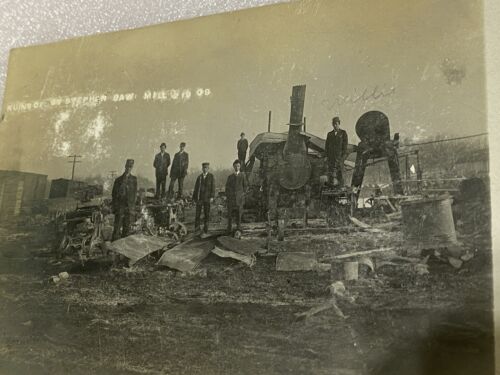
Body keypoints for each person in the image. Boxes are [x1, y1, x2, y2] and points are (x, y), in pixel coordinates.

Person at [111, 159, 138, 241]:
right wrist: (115, 206)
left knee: (126, 229)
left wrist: (132, 207)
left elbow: (134, 194)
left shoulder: (134, 179)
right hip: (120, 206)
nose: (129, 168)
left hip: (128, 207)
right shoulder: (118, 180)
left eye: (130, 167)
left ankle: (124, 249)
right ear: (125, 167)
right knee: (117, 228)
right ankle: (114, 248)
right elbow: (114, 194)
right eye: (127, 166)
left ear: (132, 168)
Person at [192, 162, 215, 234]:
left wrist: (212, 196)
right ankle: (197, 229)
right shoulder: (199, 177)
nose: (205, 169)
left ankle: (206, 229)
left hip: (207, 198)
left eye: (206, 168)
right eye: (204, 168)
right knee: (197, 214)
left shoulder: (211, 176)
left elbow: (213, 188)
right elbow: (196, 188)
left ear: (208, 168)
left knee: (206, 214)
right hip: (199, 198)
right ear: (202, 169)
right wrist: (194, 198)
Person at [325, 116, 348, 186]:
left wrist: (342, 158)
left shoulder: (343, 133)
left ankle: (341, 188)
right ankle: (331, 188)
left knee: (340, 174)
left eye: (336, 124)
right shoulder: (329, 134)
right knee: (331, 174)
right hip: (331, 158)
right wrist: (327, 156)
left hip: (339, 158)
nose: (335, 125)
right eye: (334, 124)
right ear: (332, 124)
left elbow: (345, 147)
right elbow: (327, 147)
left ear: (339, 124)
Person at [225, 159, 247, 234]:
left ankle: (238, 227)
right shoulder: (230, 177)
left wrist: (242, 195)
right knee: (230, 214)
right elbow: (227, 188)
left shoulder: (242, 175)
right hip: (231, 199)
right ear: (233, 167)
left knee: (239, 213)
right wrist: (228, 196)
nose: (237, 167)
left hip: (239, 198)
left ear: (240, 167)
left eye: (238, 166)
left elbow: (245, 187)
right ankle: (229, 228)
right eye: (235, 166)